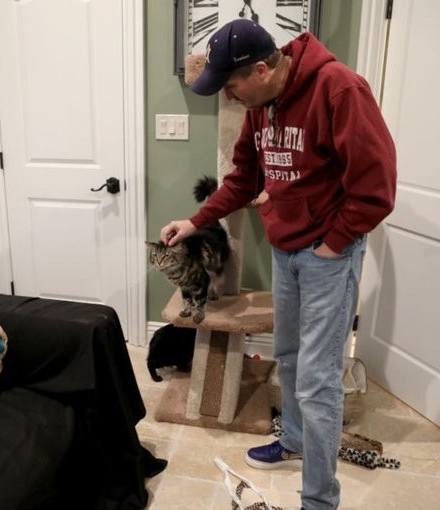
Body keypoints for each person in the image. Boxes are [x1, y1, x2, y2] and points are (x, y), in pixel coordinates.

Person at [160, 19, 396, 510]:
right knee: (286, 356)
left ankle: (319, 501)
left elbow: (377, 188)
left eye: (231, 85)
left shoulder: (340, 90)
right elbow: (243, 179)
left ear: (262, 70)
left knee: (317, 380)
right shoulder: (261, 106)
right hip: (286, 249)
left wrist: (334, 244)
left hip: (328, 255)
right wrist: (195, 220)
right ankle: (292, 440)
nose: (228, 96)